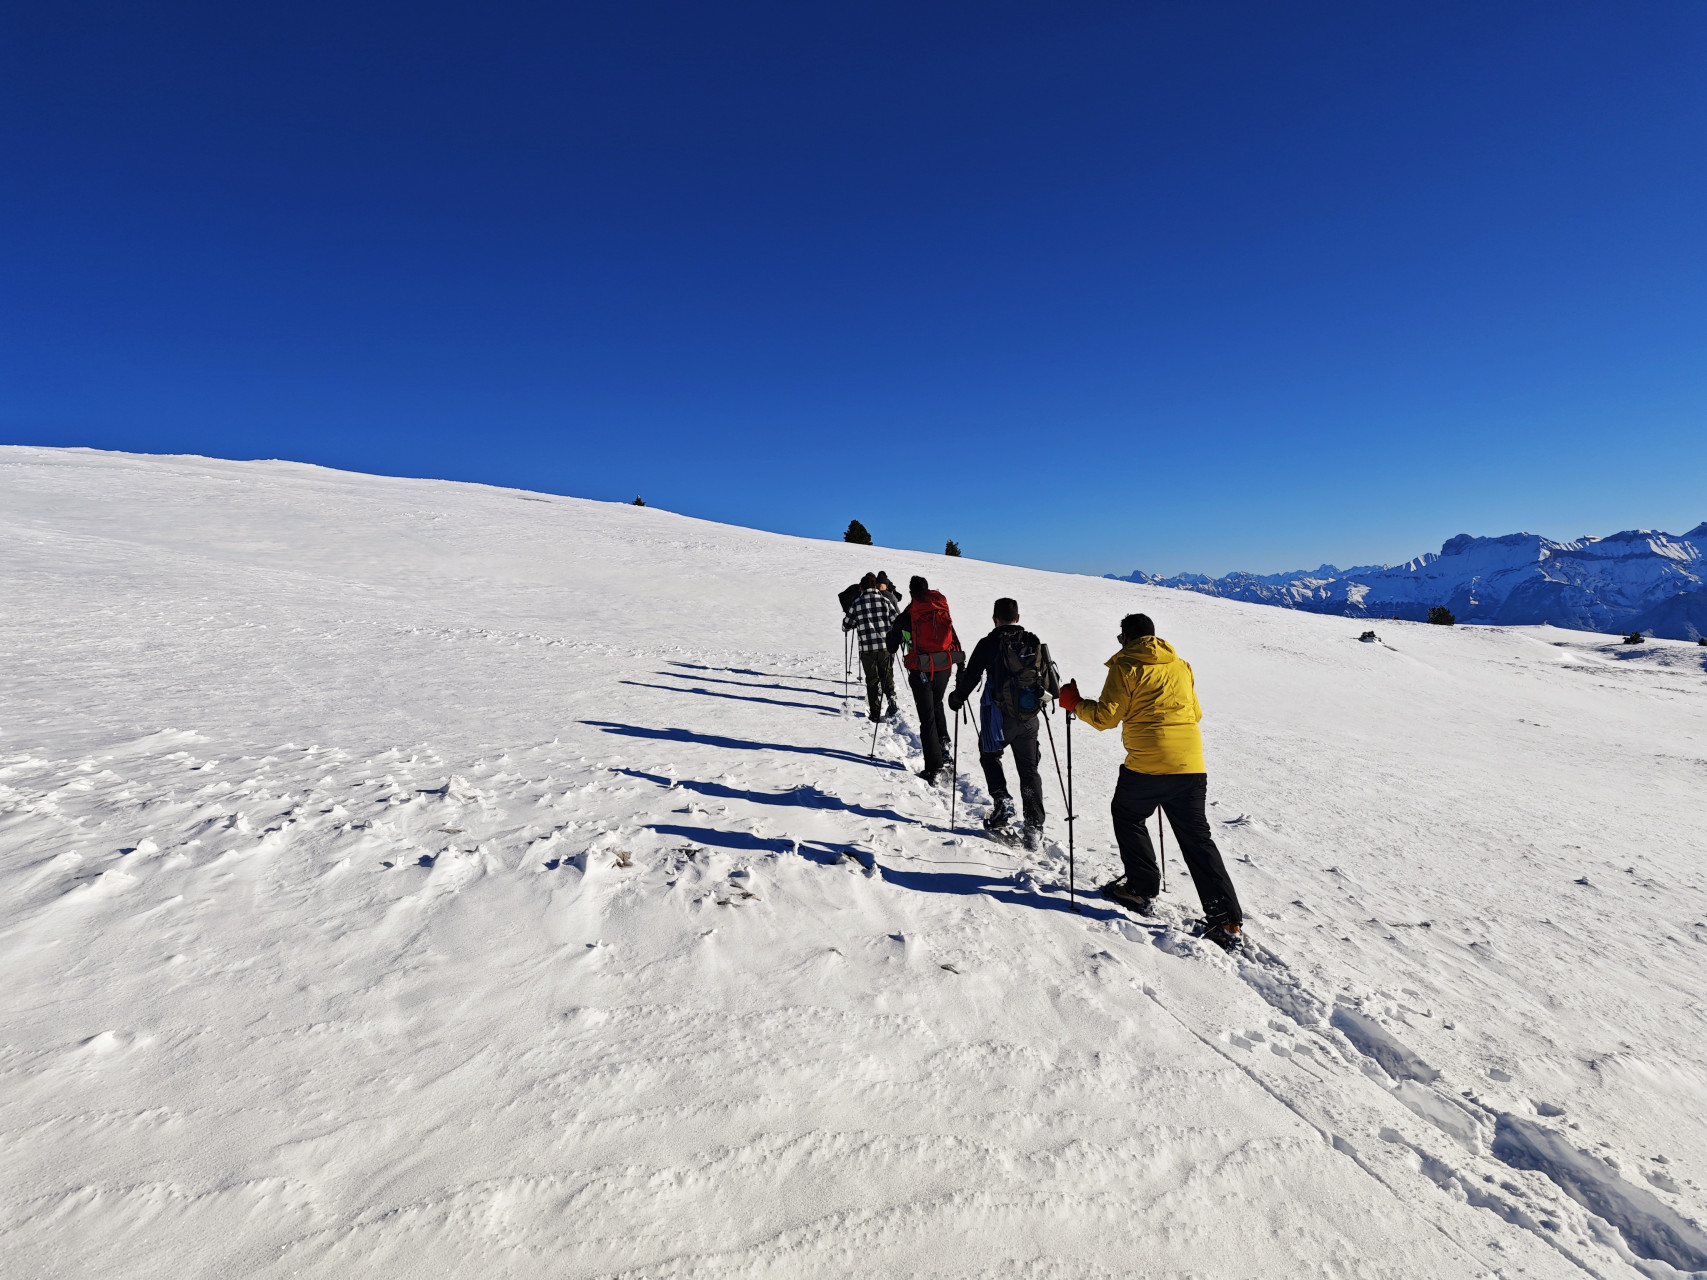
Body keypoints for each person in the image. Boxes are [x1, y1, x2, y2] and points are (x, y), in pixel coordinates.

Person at [1057, 612, 1245, 950]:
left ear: (1127, 638)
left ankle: (1141, 889)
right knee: (1197, 840)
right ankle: (1226, 920)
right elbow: (1196, 713)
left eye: (1120, 639)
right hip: (1190, 763)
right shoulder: (1181, 665)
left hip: (1147, 763)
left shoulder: (1125, 666)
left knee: (1127, 815)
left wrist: (1074, 703)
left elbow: (1105, 717)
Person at [948, 598, 1058, 850]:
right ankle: (1033, 826)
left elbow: (972, 676)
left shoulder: (988, 643)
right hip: (1029, 717)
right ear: (1017, 618)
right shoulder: (1032, 641)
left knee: (989, 756)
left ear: (995, 618)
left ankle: (1002, 801)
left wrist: (957, 698)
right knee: (1029, 770)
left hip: (998, 718)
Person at [886, 575, 962, 783]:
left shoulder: (908, 615)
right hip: (944, 667)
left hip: (921, 670)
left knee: (926, 716)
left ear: (911, 593)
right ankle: (944, 745)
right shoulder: (940, 609)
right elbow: (953, 637)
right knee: (937, 704)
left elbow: (891, 646)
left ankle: (933, 766)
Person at [842, 573, 899, 721]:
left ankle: (875, 713)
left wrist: (858, 622)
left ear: (861, 587)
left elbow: (846, 626)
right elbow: (896, 620)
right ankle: (892, 700)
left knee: (872, 680)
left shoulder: (857, 603)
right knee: (887, 676)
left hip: (867, 650)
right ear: (875, 586)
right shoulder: (885, 600)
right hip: (885, 647)